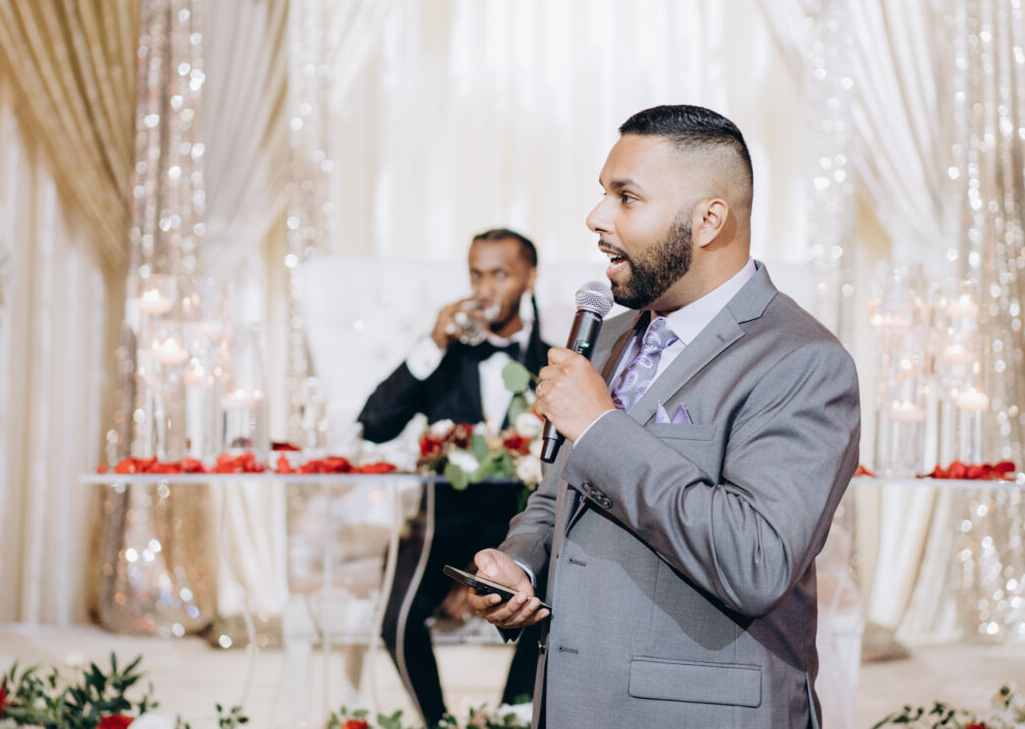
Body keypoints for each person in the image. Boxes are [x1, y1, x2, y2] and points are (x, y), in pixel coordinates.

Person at [468, 105, 861, 728]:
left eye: (626, 197)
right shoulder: (608, 336)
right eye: (604, 193)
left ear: (708, 220)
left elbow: (756, 561)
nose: (596, 217)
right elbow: (560, 493)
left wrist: (600, 428)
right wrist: (521, 563)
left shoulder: (803, 360)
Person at [358, 228, 547, 727]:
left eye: (500, 275)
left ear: (529, 278)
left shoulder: (552, 362)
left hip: (522, 533)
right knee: (396, 618)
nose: (485, 290)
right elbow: (374, 425)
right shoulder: (442, 360)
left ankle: (511, 719)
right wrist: (433, 342)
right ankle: (437, 722)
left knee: (550, 610)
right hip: (439, 529)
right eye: (476, 276)